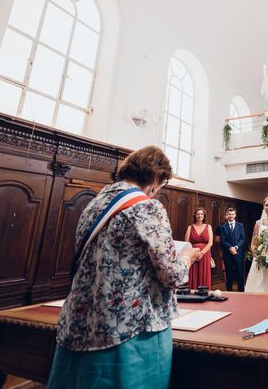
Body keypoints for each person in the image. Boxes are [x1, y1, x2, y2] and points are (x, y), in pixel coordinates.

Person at [47, 146, 199, 389]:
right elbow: (172, 274)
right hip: (129, 330)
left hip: (82, 321)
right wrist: (188, 257)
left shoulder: (94, 204)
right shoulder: (147, 206)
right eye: (162, 184)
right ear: (155, 178)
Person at [217, 206, 246, 291]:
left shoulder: (240, 225)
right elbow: (222, 240)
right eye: (229, 214)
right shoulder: (222, 227)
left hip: (238, 254)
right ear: (226, 215)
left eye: (232, 214)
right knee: (229, 275)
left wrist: (236, 247)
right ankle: (229, 293)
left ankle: (241, 293)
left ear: (235, 215)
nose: (231, 216)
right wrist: (230, 248)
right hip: (227, 254)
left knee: (240, 274)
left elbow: (243, 238)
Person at [185, 207, 213, 290]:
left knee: (204, 274)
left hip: (204, 254)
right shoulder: (190, 227)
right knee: (192, 274)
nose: (200, 215)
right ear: (195, 216)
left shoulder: (208, 227)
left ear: (204, 215)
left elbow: (210, 243)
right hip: (193, 255)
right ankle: (192, 293)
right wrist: (195, 254)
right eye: (198, 214)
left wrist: (201, 253)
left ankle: (204, 292)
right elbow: (187, 243)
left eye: (201, 214)